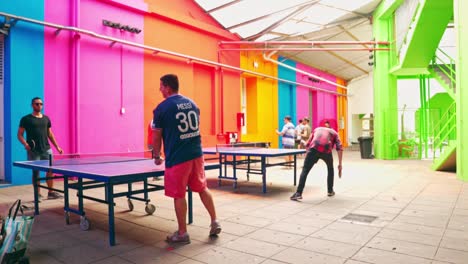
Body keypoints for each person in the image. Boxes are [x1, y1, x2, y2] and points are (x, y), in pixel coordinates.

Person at [152, 74, 221, 244]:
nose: (159, 89)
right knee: (202, 188)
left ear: (168, 87)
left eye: (161, 86)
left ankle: (182, 233)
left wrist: (156, 155)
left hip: (178, 157)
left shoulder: (161, 108)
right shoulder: (192, 104)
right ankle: (215, 221)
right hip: (196, 154)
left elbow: (157, 135)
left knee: (179, 194)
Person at [17, 97, 63, 200]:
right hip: (34, 151)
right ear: (32, 105)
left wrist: (57, 146)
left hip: (47, 149)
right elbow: (19, 134)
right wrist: (25, 144)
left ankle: (51, 192)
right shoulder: (26, 119)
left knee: (50, 170)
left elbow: (50, 134)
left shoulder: (46, 118)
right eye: (37, 104)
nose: (39, 106)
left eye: (41, 104)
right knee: (36, 172)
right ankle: (37, 194)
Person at [290, 120, 343, 200]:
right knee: (330, 169)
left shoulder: (316, 129)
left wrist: (308, 155)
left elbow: (308, 143)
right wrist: (340, 164)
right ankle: (330, 191)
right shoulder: (334, 133)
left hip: (314, 149)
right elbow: (340, 148)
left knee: (305, 170)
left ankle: (298, 193)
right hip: (326, 150)